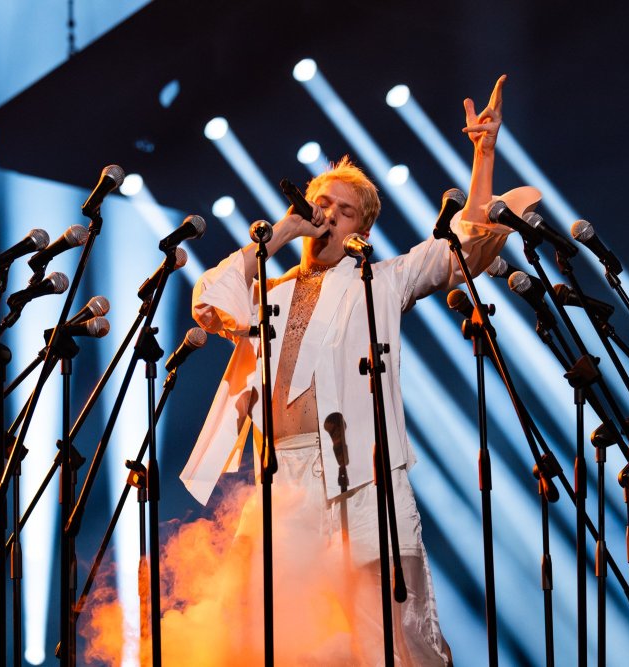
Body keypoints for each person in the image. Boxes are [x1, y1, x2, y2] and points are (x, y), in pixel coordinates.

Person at [179, 75, 538, 665]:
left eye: (343, 211)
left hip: (366, 475)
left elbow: (464, 248)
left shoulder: (383, 279)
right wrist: (276, 237)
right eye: (320, 204)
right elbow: (210, 300)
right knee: (256, 626)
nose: (327, 216)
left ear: (361, 231)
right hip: (283, 478)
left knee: (392, 636)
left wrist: (483, 155)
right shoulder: (267, 293)